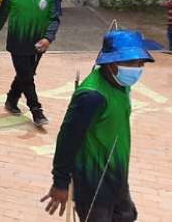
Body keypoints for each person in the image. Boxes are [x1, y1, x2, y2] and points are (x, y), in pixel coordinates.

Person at [41, 30, 153, 221]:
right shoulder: (91, 96)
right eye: (132, 62)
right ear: (111, 64)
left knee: (127, 216)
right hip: (94, 183)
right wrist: (60, 182)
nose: (138, 67)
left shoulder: (121, 83)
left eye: (141, 62)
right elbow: (68, 139)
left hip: (117, 176)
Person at [0, 0, 60, 126]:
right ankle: (36, 110)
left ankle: (11, 99)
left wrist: (48, 38)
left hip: (38, 44)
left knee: (26, 74)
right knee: (27, 77)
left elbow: (54, 19)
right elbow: (2, 15)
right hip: (17, 42)